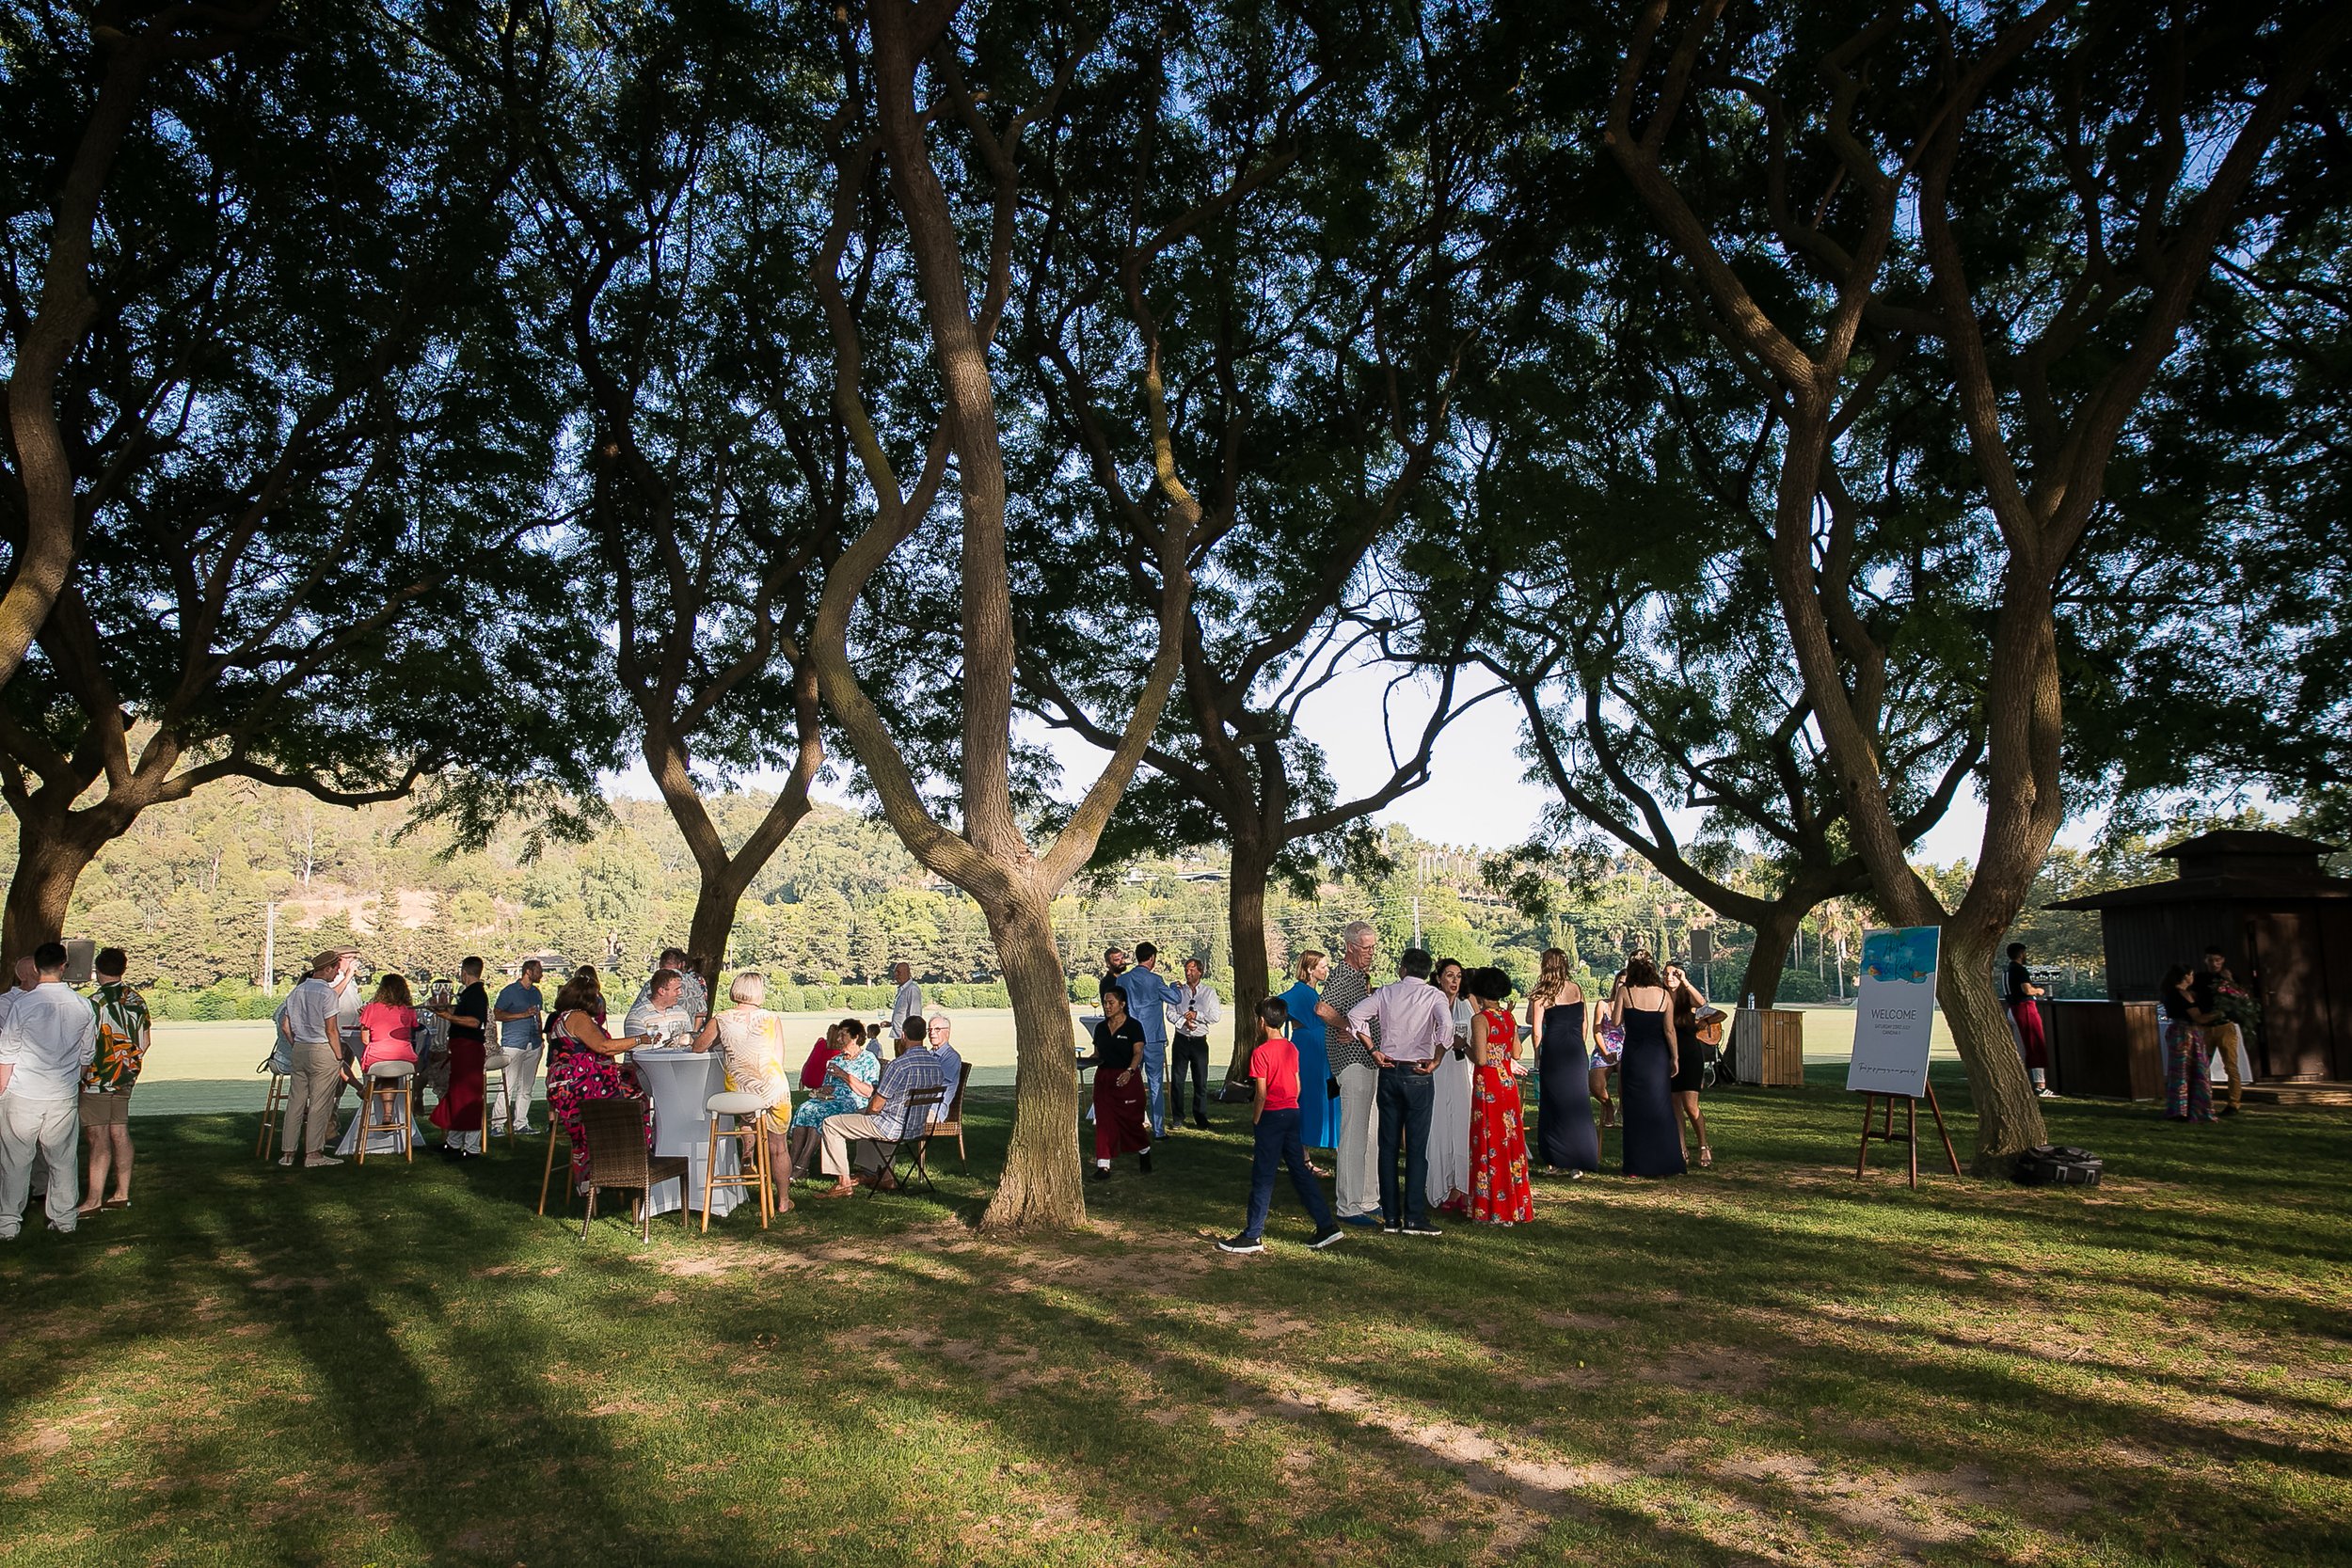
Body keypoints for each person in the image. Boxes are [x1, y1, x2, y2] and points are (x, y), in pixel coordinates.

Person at [1217, 997, 1343, 1254]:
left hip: (1272, 1117)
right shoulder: (1290, 1048)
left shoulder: (1260, 1053)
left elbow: (1261, 1093)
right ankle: (1326, 1224)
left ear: (1261, 1022)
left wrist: (1256, 1119)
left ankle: (1253, 1235)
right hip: (1292, 1112)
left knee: (1263, 1175)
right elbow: (1296, 1086)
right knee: (1299, 1170)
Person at [1345, 946, 1453, 1237]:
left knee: (1388, 1147)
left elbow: (1356, 1016)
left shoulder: (1386, 993)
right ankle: (1414, 1217)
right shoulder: (1434, 995)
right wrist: (1437, 1058)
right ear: (1427, 972)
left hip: (1389, 1069)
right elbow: (1447, 1026)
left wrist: (1373, 1050)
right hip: (1418, 1070)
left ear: (1403, 969)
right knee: (1417, 1149)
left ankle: (1391, 1217)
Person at [0, 942, 98, 1237]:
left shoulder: (23, 1005)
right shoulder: (82, 1005)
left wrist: (2, 1090)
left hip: (23, 1092)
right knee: (63, 1160)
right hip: (62, 1093)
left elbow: (7, 1053)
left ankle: (8, 1223)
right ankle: (65, 1219)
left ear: (36, 969)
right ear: (64, 966)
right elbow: (86, 1055)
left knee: (15, 1161)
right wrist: (72, 1081)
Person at [545, 973, 659, 1191]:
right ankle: (631, 1162)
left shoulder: (563, 1017)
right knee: (635, 1100)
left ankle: (613, 1168)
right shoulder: (578, 1017)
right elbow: (603, 1047)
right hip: (576, 1086)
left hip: (565, 1084)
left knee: (629, 1085)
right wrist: (640, 1040)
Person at [691, 971, 794, 1212]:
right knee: (779, 1146)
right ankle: (782, 1201)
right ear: (759, 992)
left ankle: (748, 1153)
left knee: (747, 1117)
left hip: (741, 1093)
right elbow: (778, 1057)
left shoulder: (722, 1019)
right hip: (773, 1088)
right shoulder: (771, 1018)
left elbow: (698, 1047)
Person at [816, 1018, 949, 1196]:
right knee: (861, 1114)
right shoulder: (936, 1066)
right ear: (924, 1035)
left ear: (903, 1036)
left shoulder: (900, 1065)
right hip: (916, 1127)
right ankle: (884, 1176)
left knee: (831, 1124)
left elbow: (877, 1103)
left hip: (891, 1127)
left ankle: (844, 1183)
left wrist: (870, 1111)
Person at [1313, 922, 1383, 1227]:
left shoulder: (1361, 977)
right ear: (1351, 947)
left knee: (1370, 1134)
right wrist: (1347, 1026)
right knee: (1354, 1135)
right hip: (1351, 1064)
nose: (1371, 952)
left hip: (1368, 1062)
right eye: (1366, 947)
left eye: (1372, 947)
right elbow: (1322, 1009)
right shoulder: (1343, 974)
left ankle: (1369, 1198)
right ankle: (1348, 1205)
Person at [78, 947, 151, 1214]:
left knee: (97, 1136)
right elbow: (145, 1041)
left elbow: (86, 1043)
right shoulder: (137, 1000)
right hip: (125, 1076)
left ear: (97, 971)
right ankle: (121, 1193)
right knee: (119, 1131)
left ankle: (93, 1199)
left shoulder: (93, 1002)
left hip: (96, 1078)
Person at [1466, 968, 1534, 1225]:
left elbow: (1481, 1059)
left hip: (1489, 1085)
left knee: (1489, 1142)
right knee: (1510, 1142)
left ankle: (1491, 1207)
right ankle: (1514, 1205)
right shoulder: (1508, 1018)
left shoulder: (1480, 1019)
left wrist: (1465, 1047)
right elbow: (1516, 1053)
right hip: (1508, 1084)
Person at [278, 949, 353, 1168]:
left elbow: (286, 1025)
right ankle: (313, 1154)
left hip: (300, 1048)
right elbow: (331, 1030)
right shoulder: (327, 994)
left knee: (295, 1103)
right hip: (322, 1049)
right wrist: (339, 1056)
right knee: (320, 1104)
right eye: (335, 970)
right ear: (327, 968)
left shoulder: (296, 992)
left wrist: (296, 1044)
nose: (336, 975)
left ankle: (288, 1153)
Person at [1613, 955, 1686, 1178]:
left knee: (1635, 1108)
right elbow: (1669, 1030)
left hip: (1634, 1055)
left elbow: (1616, 1022)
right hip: (1657, 1056)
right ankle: (1666, 1161)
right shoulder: (1664, 995)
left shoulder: (1625, 992)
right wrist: (1675, 1058)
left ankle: (1636, 1165)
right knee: (1661, 1106)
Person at [1528, 946, 1597, 1177]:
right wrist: (1579, 1044)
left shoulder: (1541, 994)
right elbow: (1584, 1023)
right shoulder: (1577, 989)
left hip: (1555, 1052)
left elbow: (1537, 1031)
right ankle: (1579, 1159)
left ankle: (1555, 1159)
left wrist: (1538, 1055)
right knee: (1577, 1103)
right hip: (1576, 1051)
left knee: (1553, 1104)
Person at [787, 1022, 882, 1182]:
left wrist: (844, 1075)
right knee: (805, 1108)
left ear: (855, 1037)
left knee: (819, 1113)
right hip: (831, 1100)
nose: (838, 1039)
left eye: (842, 1035)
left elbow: (868, 1091)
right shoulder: (836, 1060)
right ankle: (791, 1162)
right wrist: (824, 1090)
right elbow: (826, 1085)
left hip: (854, 1102)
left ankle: (803, 1164)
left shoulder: (868, 1060)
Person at [1078, 983, 1152, 1180]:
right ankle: (1104, 1165)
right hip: (1104, 1079)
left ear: (1122, 1004)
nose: (1107, 1006)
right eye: (1105, 1003)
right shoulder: (1101, 1028)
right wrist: (1081, 1063)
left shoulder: (1134, 1026)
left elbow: (1138, 1052)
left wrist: (1130, 1071)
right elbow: (1097, 1054)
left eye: (1111, 1002)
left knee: (1131, 1121)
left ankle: (1144, 1150)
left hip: (1127, 1078)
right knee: (1103, 1121)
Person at [428, 956, 490, 1159]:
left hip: (470, 1049)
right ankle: (453, 1143)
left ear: (464, 973)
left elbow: (475, 1022)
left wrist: (449, 1017)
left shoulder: (477, 995)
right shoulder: (468, 994)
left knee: (469, 1096)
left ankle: (471, 1147)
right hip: (461, 1049)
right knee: (457, 1094)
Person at [1425, 958, 1473, 1215]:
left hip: (1461, 1067)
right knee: (1439, 1123)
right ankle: (1440, 1183)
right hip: (1438, 1068)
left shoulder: (1467, 1004)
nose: (1454, 981)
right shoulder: (1431, 1002)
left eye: (1458, 976)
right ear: (1439, 977)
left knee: (1462, 1124)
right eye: (1449, 975)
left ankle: (1462, 1187)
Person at [1279, 952, 1337, 1163]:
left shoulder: (1315, 993)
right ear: (1310, 969)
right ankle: (1302, 1157)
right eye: (1322, 966)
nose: (1326, 970)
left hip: (1323, 1049)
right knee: (1305, 1096)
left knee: (1329, 1093)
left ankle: (1334, 1143)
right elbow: (1275, 1007)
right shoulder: (1299, 992)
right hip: (1307, 1050)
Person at [1120, 942, 1177, 1138]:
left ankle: (1129, 1124)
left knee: (1130, 1082)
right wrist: (1173, 987)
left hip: (1131, 1038)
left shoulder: (1123, 980)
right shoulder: (1155, 980)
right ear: (1151, 958)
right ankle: (1159, 1129)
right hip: (1152, 1038)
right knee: (1155, 1084)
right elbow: (1175, 999)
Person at [1664, 962, 1716, 1169]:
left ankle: (1703, 1145)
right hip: (1668, 1054)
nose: (1669, 977)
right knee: (1674, 1104)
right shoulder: (1662, 996)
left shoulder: (1686, 998)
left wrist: (1685, 980)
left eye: (1673, 974)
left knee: (1690, 1105)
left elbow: (1701, 1002)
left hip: (1689, 1054)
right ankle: (1681, 1147)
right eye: (1666, 974)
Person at [492, 959, 547, 1135]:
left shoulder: (536, 993)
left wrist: (541, 1038)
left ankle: (521, 1123)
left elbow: (538, 1017)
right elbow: (497, 1014)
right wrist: (522, 1015)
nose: (541, 974)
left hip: (534, 1043)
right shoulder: (509, 992)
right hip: (514, 1044)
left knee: (526, 1087)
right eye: (539, 971)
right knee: (507, 1086)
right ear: (528, 972)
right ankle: (497, 1125)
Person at [1166, 957, 1220, 1132]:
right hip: (1181, 1040)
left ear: (1200, 972)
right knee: (1178, 1081)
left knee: (1200, 1081)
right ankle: (1177, 1118)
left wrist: (1197, 1016)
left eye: (1191, 970)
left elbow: (1215, 1016)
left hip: (1199, 1042)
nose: (1188, 973)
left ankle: (1201, 1118)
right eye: (1186, 970)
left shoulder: (1209, 993)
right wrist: (1183, 1022)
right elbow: (1170, 1013)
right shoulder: (1178, 991)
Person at [2190, 947, 2245, 1117]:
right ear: (2205, 961)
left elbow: (2242, 997)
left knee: (2231, 1065)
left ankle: (2234, 1103)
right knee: (2202, 1065)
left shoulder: (2230, 977)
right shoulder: (2199, 978)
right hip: (2205, 1026)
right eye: (2210, 960)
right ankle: (2202, 1101)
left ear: (2223, 960)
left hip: (2224, 1025)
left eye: (2217, 960)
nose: (2214, 963)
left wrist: (2230, 982)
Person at [2160, 964, 2216, 1124]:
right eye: (2191, 974)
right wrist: (2221, 1013)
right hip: (2188, 1034)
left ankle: (2179, 1108)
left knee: (2178, 1070)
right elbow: (2198, 1018)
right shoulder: (2182, 994)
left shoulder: (2168, 993)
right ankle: (2197, 1108)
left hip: (2176, 1032)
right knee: (2195, 1069)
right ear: (2186, 976)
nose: (2193, 978)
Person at [2005, 942, 2055, 1100]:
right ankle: (2040, 1085)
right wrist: (2038, 990)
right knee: (2035, 1044)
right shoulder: (2019, 970)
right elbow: (2027, 990)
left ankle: (2017, 1082)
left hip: (2012, 1009)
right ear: (2021, 954)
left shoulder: (2007, 970)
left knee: (2021, 1049)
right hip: (2024, 1009)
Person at [623, 968, 694, 1042]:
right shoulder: (637, 1016)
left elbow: (689, 1042)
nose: (680, 993)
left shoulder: (681, 1013)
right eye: (676, 989)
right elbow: (638, 1052)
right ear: (662, 991)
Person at [925, 1014, 963, 1125]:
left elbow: (936, 1085)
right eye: (930, 1029)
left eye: (937, 1029)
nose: (932, 1033)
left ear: (947, 1032)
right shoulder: (929, 1054)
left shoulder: (951, 1057)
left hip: (933, 1110)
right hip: (919, 1105)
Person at [888, 962, 925, 1038]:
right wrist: (891, 1023)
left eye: (899, 972)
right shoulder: (902, 990)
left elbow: (914, 1017)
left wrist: (910, 1039)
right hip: (898, 1036)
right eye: (895, 972)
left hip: (906, 1038)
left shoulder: (912, 989)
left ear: (907, 973)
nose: (896, 975)